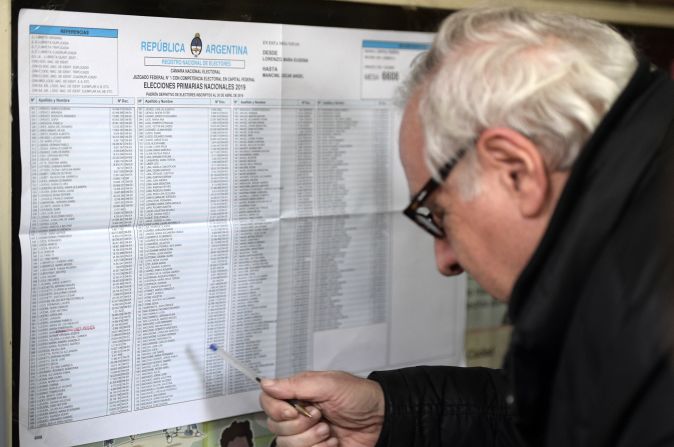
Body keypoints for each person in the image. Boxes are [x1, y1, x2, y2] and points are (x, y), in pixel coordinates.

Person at [259, 7, 674, 447]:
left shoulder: (649, 342)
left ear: (516, 170)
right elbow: (567, 409)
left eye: (438, 213)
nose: (446, 260)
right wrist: (392, 415)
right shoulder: (632, 290)